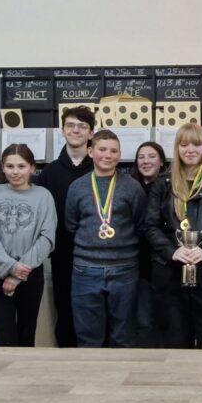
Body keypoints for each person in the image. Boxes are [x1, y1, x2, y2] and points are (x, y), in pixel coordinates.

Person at [145, 123, 202, 348]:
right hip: (170, 272)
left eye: (196, 144)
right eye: (184, 144)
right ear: (177, 148)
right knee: (174, 341)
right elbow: (150, 227)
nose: (190, 150)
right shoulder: (162, 184)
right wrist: (172, 251)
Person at [65, 130, 146, 347]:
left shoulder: (132, 187)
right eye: (102, 149)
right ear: (90, 152)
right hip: (85, 269)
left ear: (119, 155)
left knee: (124, 335)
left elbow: (140, 224)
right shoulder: (77, 187)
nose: (107, 155)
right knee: (88, 336)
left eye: (113, 151)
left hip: (124, 269)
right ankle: (91, 380)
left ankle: (122, 379)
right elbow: (71, 225)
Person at [0, 144, 56, 347]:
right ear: (2, 168)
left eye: (21, 166)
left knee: (27, 330)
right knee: (4, 333)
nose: (15, 172)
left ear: (32, 168)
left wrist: (18, 273)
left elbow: (47, 238)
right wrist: (9, 268)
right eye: (10, 166)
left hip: (30, 273)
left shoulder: (44, 196)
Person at [35, 106, 95, 347]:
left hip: (95, 255)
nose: (76, 130)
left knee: (93, 311)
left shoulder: (100, 168)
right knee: (66, 309)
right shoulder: (49, 173)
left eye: (82, 126)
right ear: (62, 130)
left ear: (91, 133)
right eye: (71, 125)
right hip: (61, 255)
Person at [131, 141, 168, 347]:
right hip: (140, 265)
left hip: (166, 262)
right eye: (141, 157)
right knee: (143, 319)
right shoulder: (129, 187)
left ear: (161, 162)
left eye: (151, 156)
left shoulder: (171, 187)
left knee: (166, 318)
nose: (146, 161)